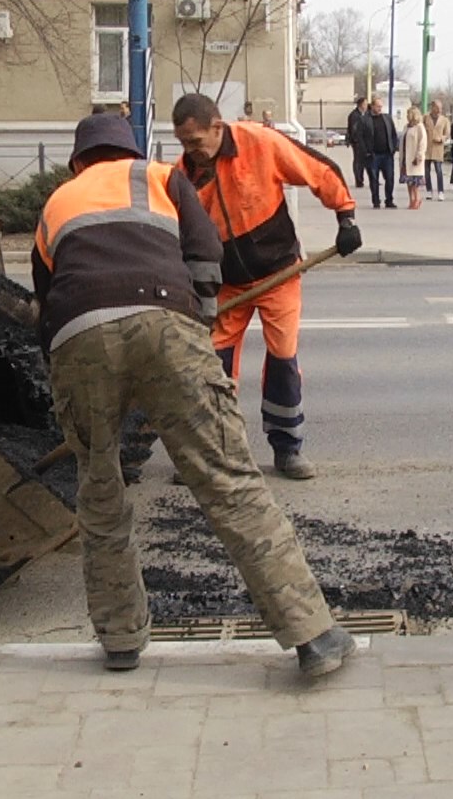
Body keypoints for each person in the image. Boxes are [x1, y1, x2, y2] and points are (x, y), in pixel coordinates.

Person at [31, 111, 359, 676]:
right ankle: (313, 638)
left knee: (101, 492)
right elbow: (204, 247)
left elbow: (46, 296)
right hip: (166, 322)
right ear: (130, 151)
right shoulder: (161, 177)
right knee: (230, 480)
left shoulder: (57, 202)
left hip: (78, 337)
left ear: (79, 162)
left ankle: (121, 641)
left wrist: (75, 377)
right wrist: (201, 310)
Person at [170, 93, 362, 481]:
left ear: (218, 128)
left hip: (278, 274)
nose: (191, 151)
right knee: (214, 368)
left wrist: (345, 217)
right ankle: (213, 453)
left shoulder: (261, 143)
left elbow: (318, 170)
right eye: (184, 143)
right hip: (226, 286)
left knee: (282, 359)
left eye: (196, 142)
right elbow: (179, 233)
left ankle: (287, 448)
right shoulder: (186, 174)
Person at [360, 98, 399, 209]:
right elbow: (360, 137)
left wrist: (394, 147)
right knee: (374, 179)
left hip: (387, 154)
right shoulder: (365, 120)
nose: (380, 108)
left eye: (381, 106)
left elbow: (393, 134)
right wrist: (366, 151)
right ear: (371, 106)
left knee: (390, 178)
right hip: (373, 155)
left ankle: (389, 200)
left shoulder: (387, 118)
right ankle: (376, 200)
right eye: (377, 106)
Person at [401, 105, 428, 210]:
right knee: (408, 181)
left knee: (415, 181)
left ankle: (417, 198)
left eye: (408, 113)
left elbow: (422, 143)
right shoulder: (406, 127)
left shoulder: (420, 127)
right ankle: (411, 199)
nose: (407, 115)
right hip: (405, 158)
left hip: (414, 158)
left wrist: (419, 155)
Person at [424, 100, 451, 201]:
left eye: (441, 108)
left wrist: (442, 138)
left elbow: (447, 133)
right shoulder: (425, 118)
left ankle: (441, 191)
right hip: (426, 147)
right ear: (433, 107)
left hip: (438, 147)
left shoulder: (444, 120)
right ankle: (429, 190)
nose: (439, 110)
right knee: (426, 171)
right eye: (437, 108)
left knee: (438, 170)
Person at [346, 95, 368, 188]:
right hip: (358, 142)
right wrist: (355, 140)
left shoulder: (365, 114)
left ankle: (362, 178)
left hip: (364, 141)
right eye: (365, 104)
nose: (366, 106)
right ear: (360, 105)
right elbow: (353, 129)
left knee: (363, 161)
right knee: (358, 161)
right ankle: (358, 180)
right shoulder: (354, 115)